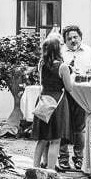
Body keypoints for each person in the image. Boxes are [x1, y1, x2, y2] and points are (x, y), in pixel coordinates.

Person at [58, 25, 91, 171]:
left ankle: (79, 158)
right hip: (64, 93)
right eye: (69, 38)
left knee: (79, 127)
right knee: (62, 127)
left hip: (83, 94)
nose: (72, 40)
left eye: (75, 37)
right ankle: (63, 158)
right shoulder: (60, 53)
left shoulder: (90, 52)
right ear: (64, 40)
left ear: (80, 37)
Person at [31, 34, 72, 168]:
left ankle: (35, 168)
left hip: (43, 100)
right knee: (55, 140)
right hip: (57, 103)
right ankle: (50, 171)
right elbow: (69, 88)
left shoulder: (41, 64)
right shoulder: (62, 67)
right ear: (57, 49)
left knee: (42, 139)